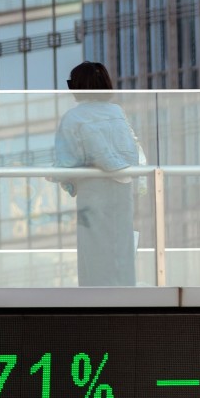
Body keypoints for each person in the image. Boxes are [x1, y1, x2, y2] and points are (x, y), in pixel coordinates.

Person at [54, 61, 140, 287]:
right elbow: (131, 148)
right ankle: (125, 295)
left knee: (93, 247)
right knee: (121, 245)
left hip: (92, 191)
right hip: (122, 189)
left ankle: (95, 299)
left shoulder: (74, 117)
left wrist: (61, 178)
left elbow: (67, 160)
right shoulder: (117, 112)